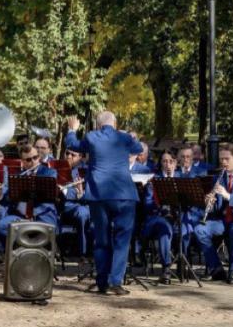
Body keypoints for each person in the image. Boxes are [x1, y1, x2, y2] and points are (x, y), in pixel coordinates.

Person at [66, 111, 143, 296]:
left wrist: (71, 129)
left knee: (101, 240)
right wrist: (130, 135)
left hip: (99, 196)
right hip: (124, 195)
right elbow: (139, 149)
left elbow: (72, 144)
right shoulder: (123, 137)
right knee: (122, 240)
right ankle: (115, 282)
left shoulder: (92, 136)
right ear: (114, 123)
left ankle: (102, 283)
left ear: (97, 124)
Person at [193, 144, 233, 284]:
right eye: (221, 159)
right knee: (200, 230)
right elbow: (216, 207)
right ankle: (216, 268)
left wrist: (227, 196)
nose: (223, 162)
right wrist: (209, 202)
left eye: (227, 159)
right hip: (223, 220)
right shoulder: (219, 177)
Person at [0, 144, 58, 257]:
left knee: (50, 228)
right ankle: (21, 254)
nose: (33, 161)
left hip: (42, 215)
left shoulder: (49, 173)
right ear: (22, 162)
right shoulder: (17, 176)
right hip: (21, 217)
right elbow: (7, 198)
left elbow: (51, 197)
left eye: (35, 157)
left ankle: (35, 254)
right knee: (1, 225)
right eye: (28, 160)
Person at [142, 152, 177, 284]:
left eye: (171, 161)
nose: (168, 164)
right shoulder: (154, 180)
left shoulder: (182, 178)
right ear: (160, 163)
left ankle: (176, 268)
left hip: (178, 218)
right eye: (164, 161)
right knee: (164, 228)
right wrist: (161, 204)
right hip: (157, 218)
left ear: (175, 163)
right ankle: (166, 268)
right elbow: (147, 203)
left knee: (178, 229)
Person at [60, 149, 93, 266]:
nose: (69, 156)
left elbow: (90, 193)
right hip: (65, 206)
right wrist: (75, 192)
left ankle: (83, 253)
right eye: (67, 153)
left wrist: (79, 193)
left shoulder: (85, 170)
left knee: (84, 213)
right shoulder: (58, 168)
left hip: (84, 206)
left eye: (72, 155)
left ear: (80, 156)